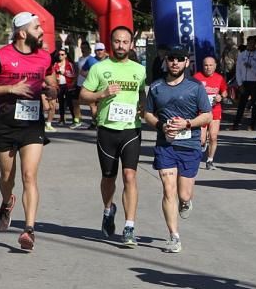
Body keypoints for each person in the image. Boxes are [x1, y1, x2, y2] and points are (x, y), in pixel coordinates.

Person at [0, 11, 58, 251]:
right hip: (6, 124)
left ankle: (29, 230)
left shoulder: (44, 57)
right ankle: (6, 200)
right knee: (7, 178)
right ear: (23, 33)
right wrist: (10, 89)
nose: (41, 31)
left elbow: (51, 81)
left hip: (32, 124)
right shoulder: (0, 57)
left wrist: (51, 91)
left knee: (29, 176)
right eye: (37, 28)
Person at [80, 26, 147, 246]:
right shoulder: (99, 69)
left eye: (125, 42)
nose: (121, 45)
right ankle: (108, 210)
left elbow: (143, 95)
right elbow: (82, 95)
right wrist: (101, 94)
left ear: (131, 44)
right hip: (107, 129)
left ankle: (129, 227)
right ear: (111, 43)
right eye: (117, 41)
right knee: (109, 177)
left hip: (130, 130)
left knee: (129, 176)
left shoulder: (139, 70)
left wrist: (143, 108)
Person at [141, 45, 212, 253]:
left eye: (179, 59)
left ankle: (186, 201)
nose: (175, 63)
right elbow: (148, 114)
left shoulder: (195, 87)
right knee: (168, 189)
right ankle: (174, 236)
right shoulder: (156, 87)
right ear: (166, 61)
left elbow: (207, 115)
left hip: (189, 146)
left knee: (183, 194)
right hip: (166, 145)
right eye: (171, 59)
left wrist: (187, 124)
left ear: (186, 63)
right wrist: (161, 126)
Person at [193, 55, 227, 170]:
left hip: (215, 111)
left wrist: (220, 97)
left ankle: (210, 160)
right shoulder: (197, 77)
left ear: (215, 66)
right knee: (201, 139)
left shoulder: (219, 78)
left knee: (213, 136)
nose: (208, 68)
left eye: (210, 65)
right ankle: (197, 156)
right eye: (206, 65)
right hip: (201, 112)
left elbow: (225, 92)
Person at [233, 36, 256, 133]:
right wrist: (240, 83)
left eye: (253, 43)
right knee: (241, 104)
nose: (251, 45)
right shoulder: (242, 55)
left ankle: (252, 125)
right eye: (249, 43)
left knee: (254, 104)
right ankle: (236, 124)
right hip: (244, 82)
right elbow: (238, 70)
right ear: (247, 43)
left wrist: (251, 67)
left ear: (255, 44)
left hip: (254, 83)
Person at [49, 47, 77, 127]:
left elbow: (73, 75)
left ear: (65, 56)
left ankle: (74, 119)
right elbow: (52, 75)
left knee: (69, 102)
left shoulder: (69, 64)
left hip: (68, 85)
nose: (60, 56)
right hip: (59, 85)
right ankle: (62, 119)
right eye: (59, 54)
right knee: (61, 103)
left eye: (62, 54)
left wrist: (64, 73)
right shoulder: (55, 64)